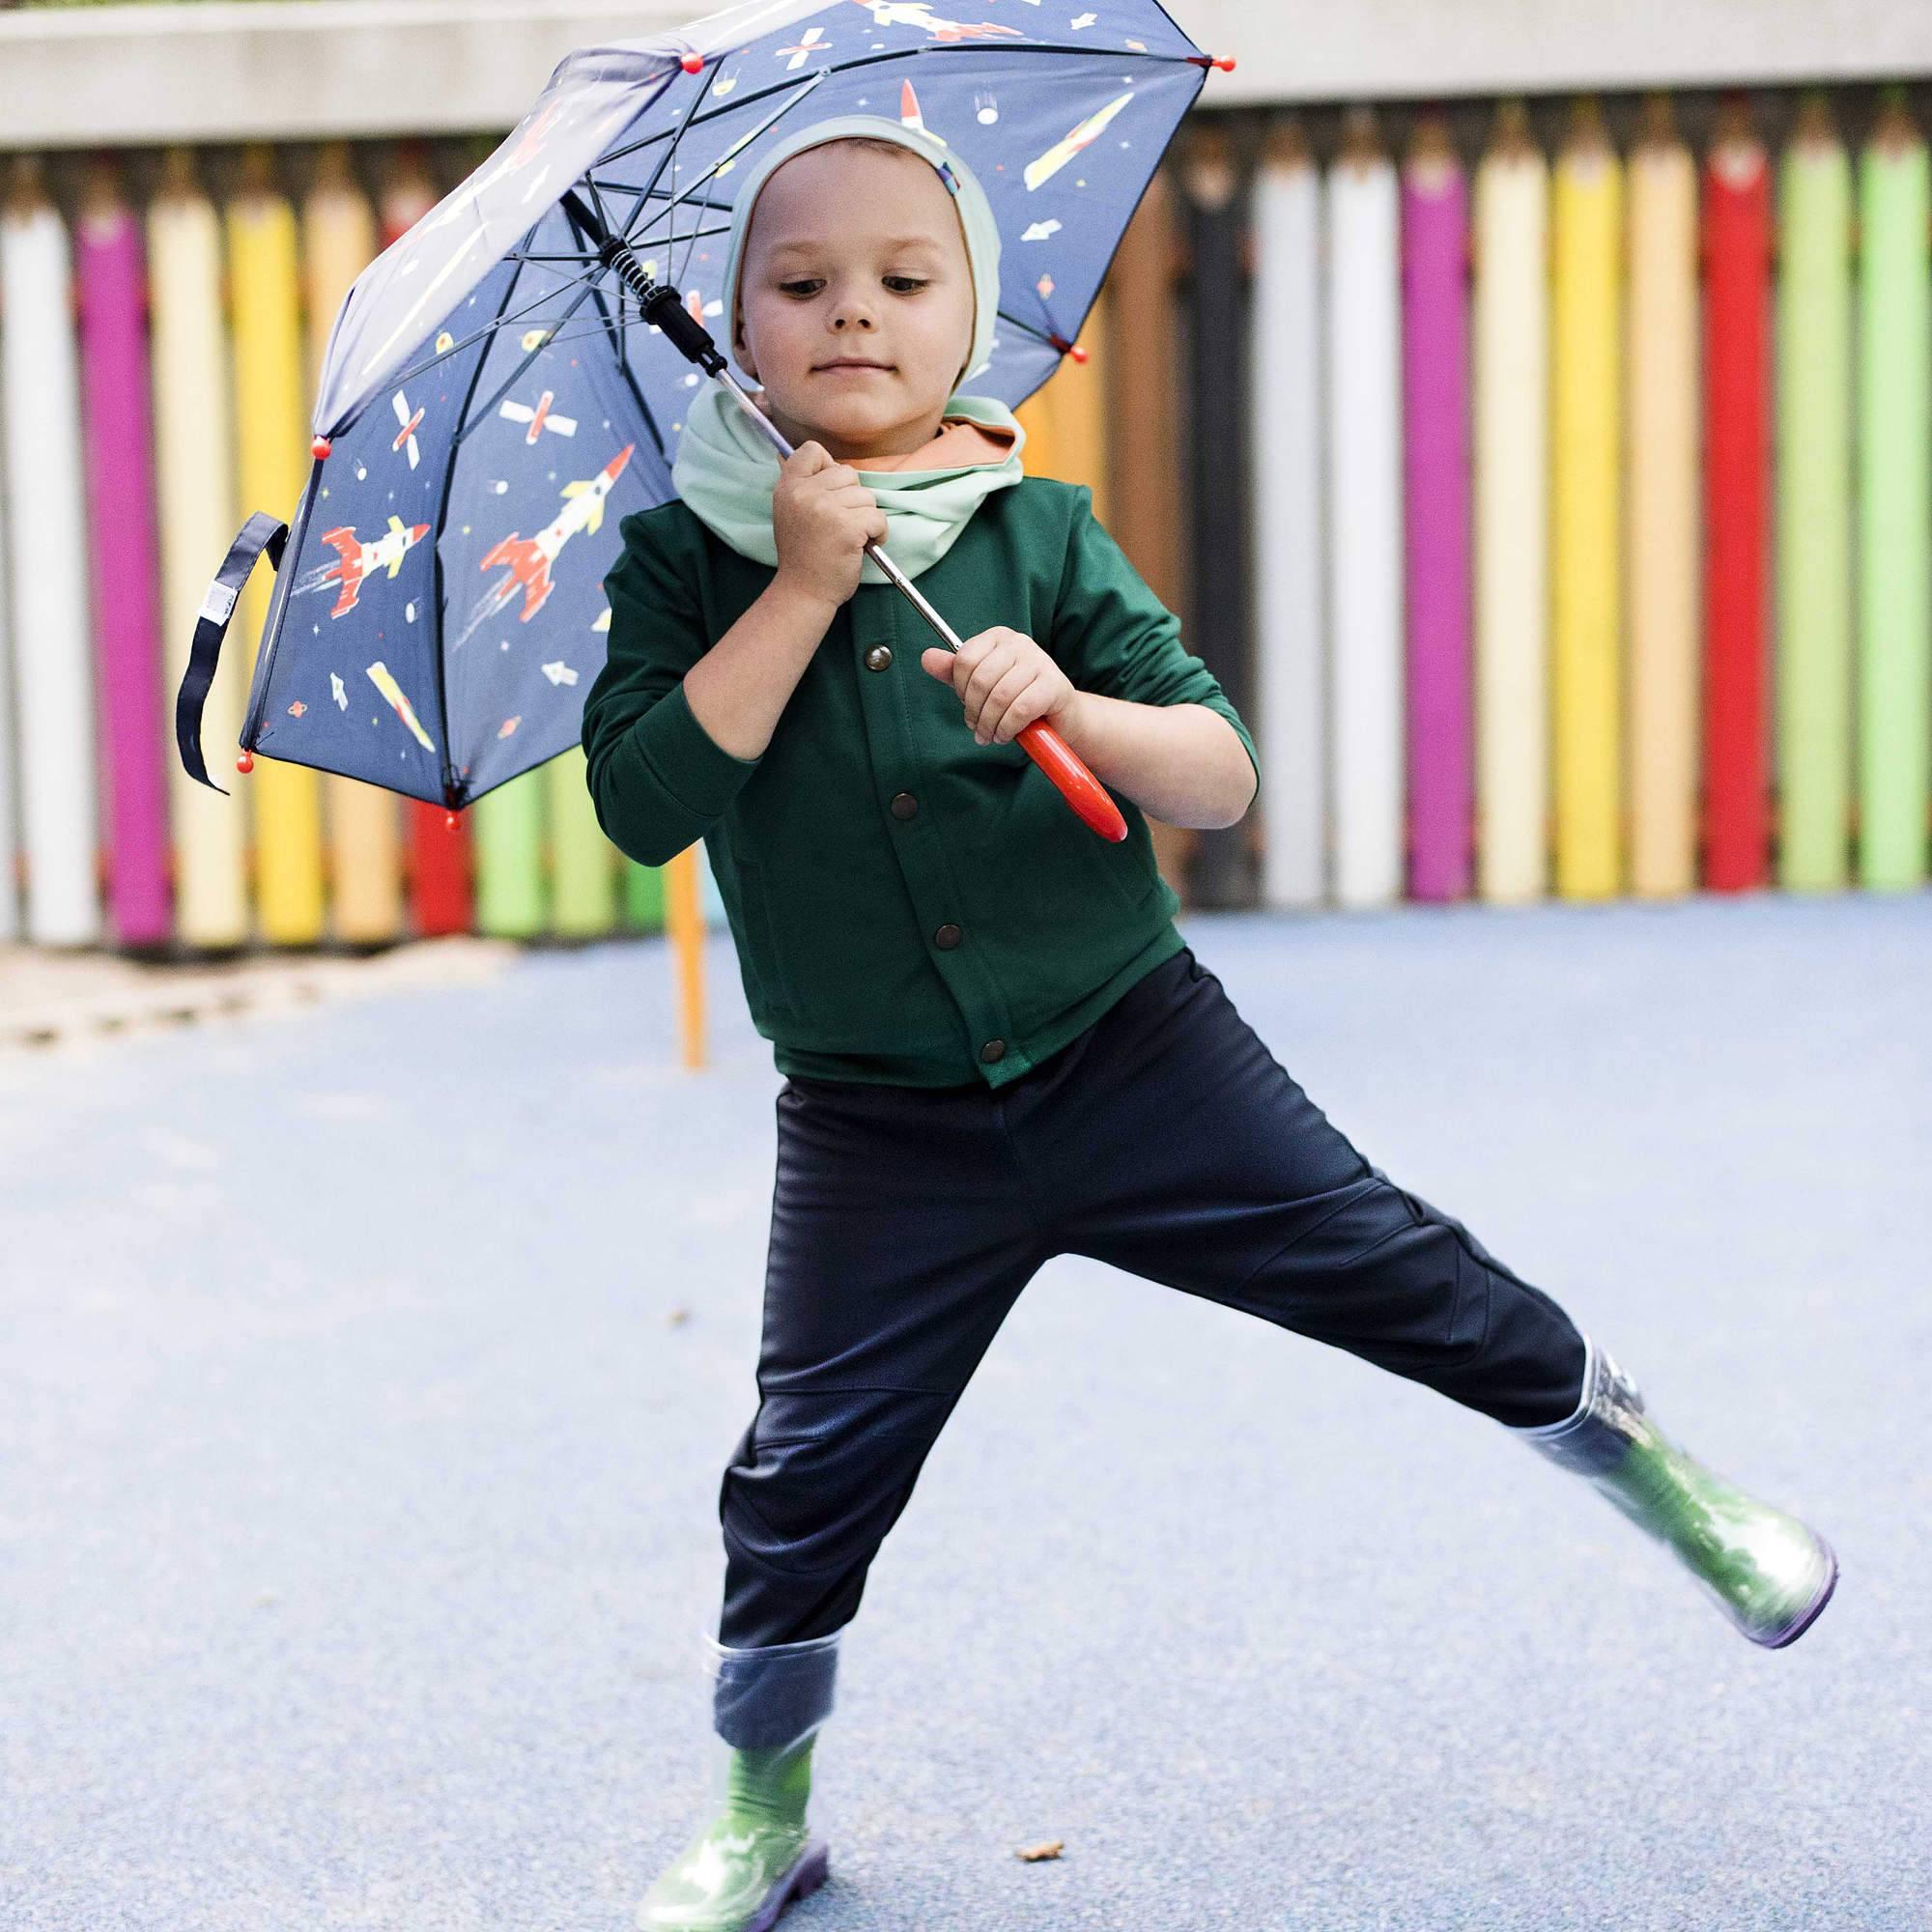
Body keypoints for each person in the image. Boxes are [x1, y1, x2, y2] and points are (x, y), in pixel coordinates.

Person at [582, 118, 1837, 1932]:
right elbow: (641, 798)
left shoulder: (1037, 532)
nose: (853, 312)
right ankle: (762, 1808)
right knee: (802, 1470)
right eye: (802, 286)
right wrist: (793, 585)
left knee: (1400, 1266)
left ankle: (1662, 1478)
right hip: (877, 1123)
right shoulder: (688, 561)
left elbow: (1223, 771)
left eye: (902, 282)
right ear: (739, 330)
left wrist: (1076, 709)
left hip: (1131, 1049)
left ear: (974, 324)